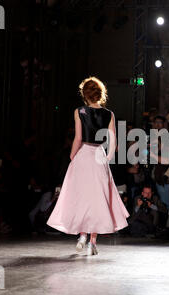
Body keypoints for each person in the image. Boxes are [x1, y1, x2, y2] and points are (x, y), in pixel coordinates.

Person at [46, 76, 130, 256]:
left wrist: (72, 156)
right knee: (97, 198)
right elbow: (113, 139)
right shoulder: (109, 114)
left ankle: (82, 236)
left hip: (83, 154)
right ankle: (92, 241)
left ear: (85, 94)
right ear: (101, 94)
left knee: (81, 196)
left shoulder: (79, 111)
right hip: (98, 155)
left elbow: (77, 138)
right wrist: (108, 156)